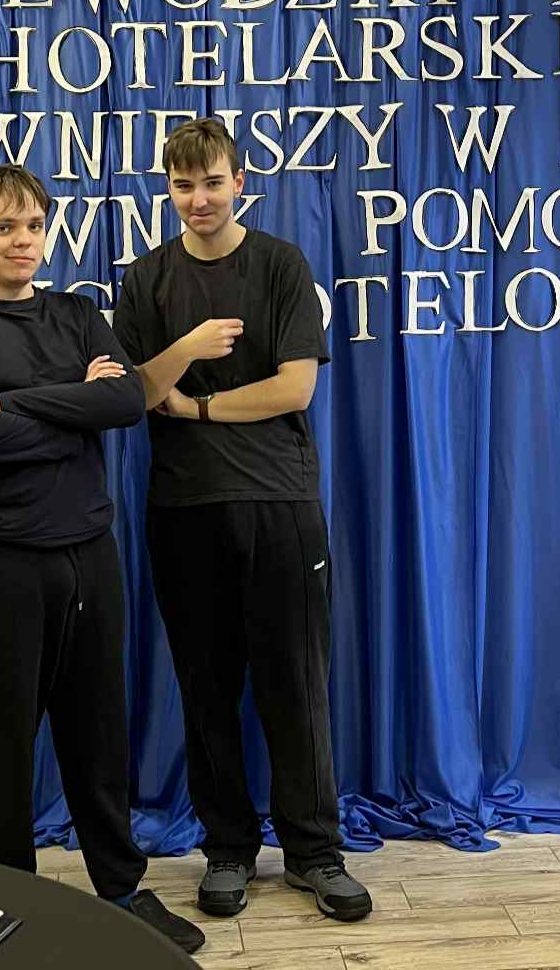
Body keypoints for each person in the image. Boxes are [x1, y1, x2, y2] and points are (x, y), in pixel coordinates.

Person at [0, 164, 203, 954]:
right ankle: (4, 903)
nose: (23, 241)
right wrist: (73, 403)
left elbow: (124, 402)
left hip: (87, 555)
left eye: (34, 226)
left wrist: (10, 401)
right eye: (3, 226)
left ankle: (121, 889)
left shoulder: (76, 314)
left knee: (97, 734)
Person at [114, 119, 372, 922]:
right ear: (167, 189)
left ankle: (314, 853)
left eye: (211, 183)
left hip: (279, 503)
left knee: (295, 684)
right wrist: (186, 350)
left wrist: (195, 405)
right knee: (206, 688)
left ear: (238, 183)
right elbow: (133, 392)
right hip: (183, 509)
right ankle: (226, 848)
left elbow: (293, 389)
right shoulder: (146, 279)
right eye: (182, 185)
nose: (198, 198)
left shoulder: (280, 265)